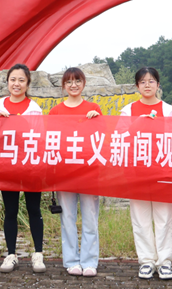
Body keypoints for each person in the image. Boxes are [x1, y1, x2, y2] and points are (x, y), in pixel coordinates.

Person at [0, 64, 46, 273]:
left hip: (30, 166)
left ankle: (38, 254)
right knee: (10, 210)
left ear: (28, 84)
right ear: (7, 82)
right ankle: (11, 254)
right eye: (13, 79)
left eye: (21, 80)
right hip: (6, 166)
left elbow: (40, 138)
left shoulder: (34, 108)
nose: (16, 84)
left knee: (34, 210)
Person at [120, 67, 172, 281]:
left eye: (151, 81)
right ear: (137, 86)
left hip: (162, 170)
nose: (147, 85)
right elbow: (119, 138)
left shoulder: (168, 110)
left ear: (158, 85)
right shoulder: (128, 110)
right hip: (137, 171)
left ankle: (164, 262)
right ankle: (146, 261)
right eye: (143, 81)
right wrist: (137, 124)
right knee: (140, 217)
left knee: (164, 218)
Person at [49, 67, 102, 278]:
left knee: (90, 217)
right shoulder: (55, 111)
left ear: (84, 83)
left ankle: (89, 261)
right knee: (68, 218)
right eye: (69, 82)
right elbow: (51, 140)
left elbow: (101, 138)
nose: (73, 85)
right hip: (65, 172)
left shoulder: (93, 108)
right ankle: (71, 261)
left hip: (89, 172)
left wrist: (97, 120)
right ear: (63, 86)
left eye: (78, 81)